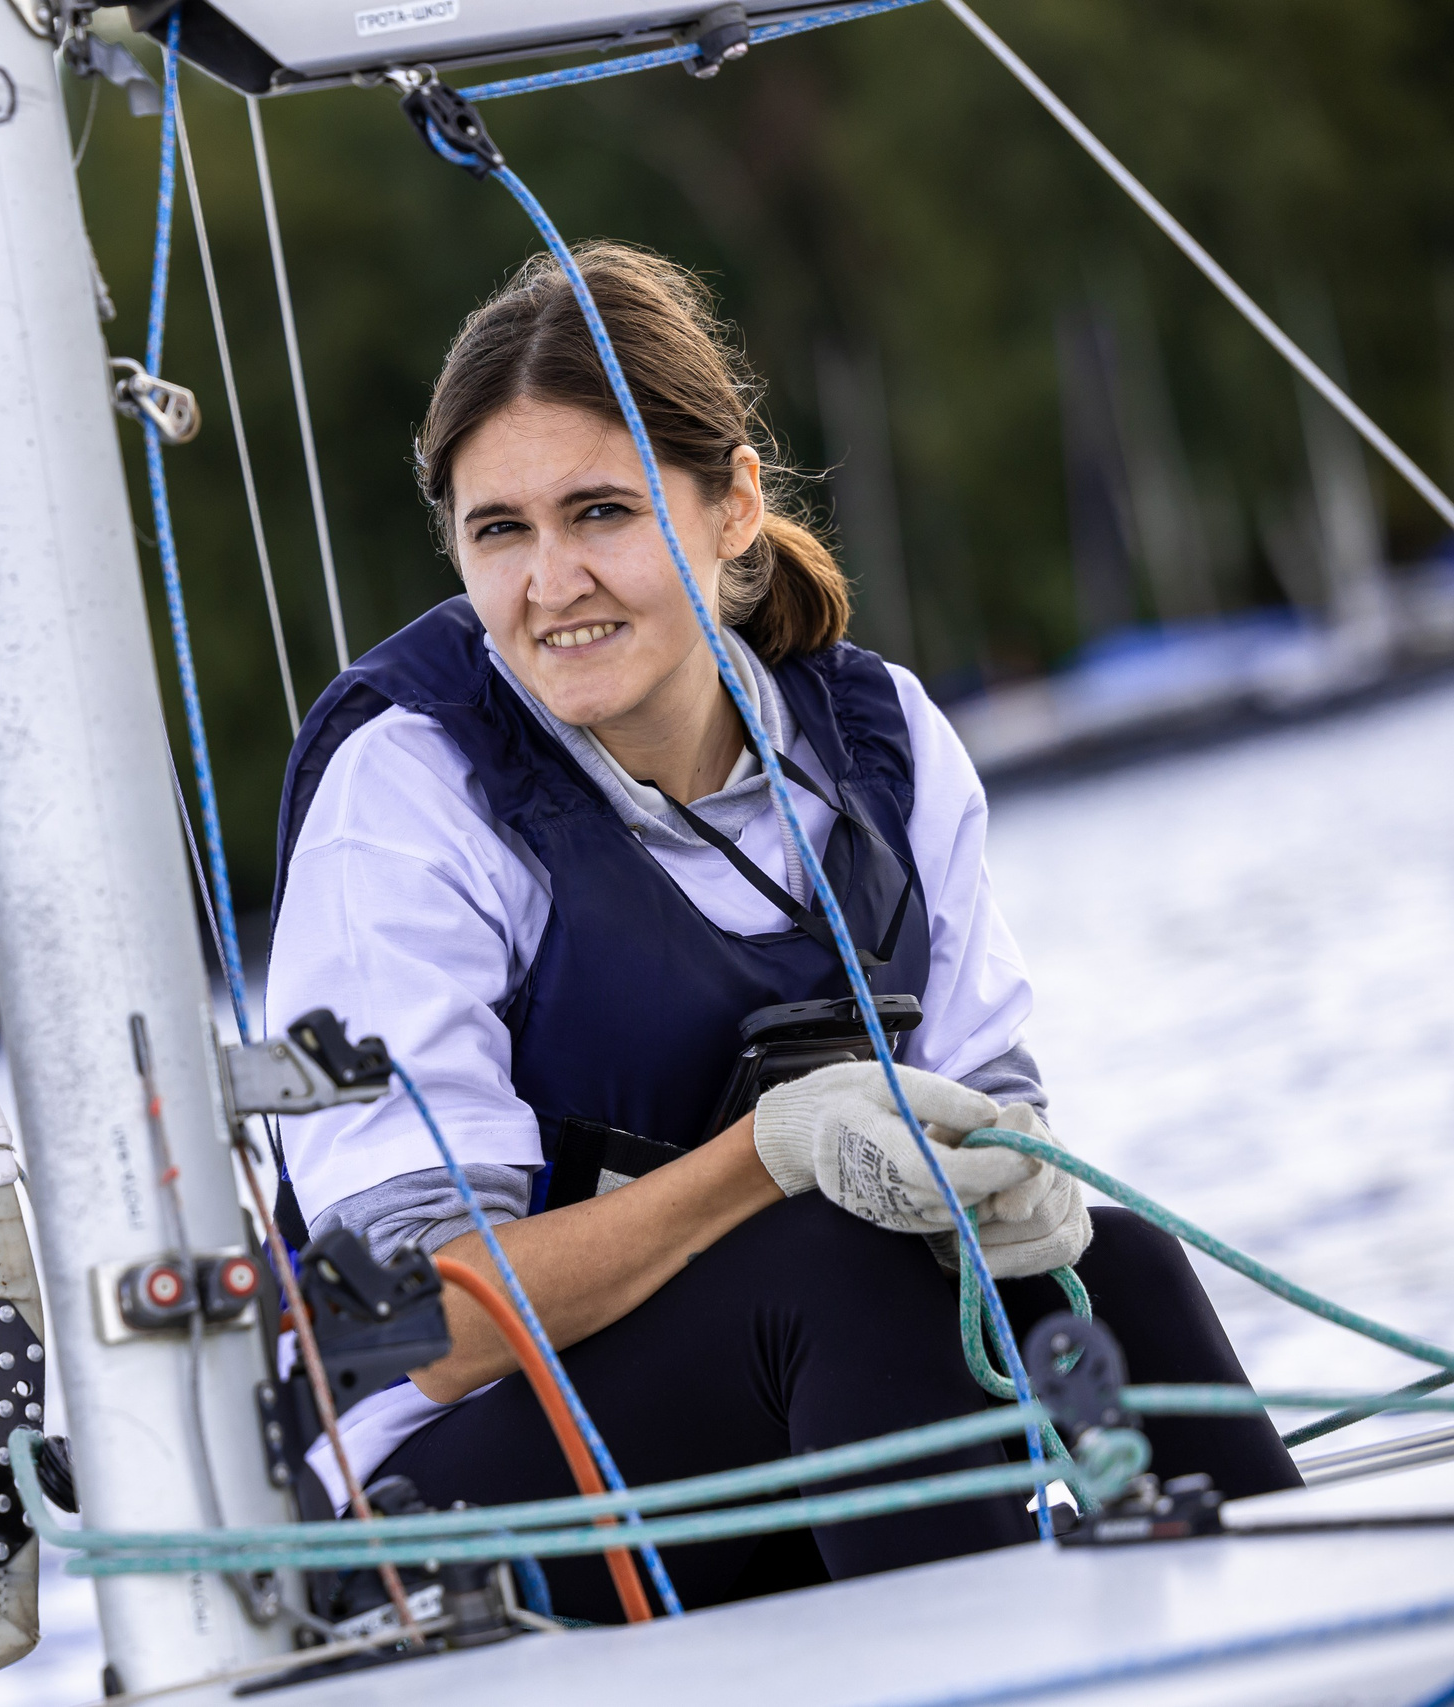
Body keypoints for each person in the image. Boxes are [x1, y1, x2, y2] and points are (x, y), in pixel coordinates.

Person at [263, 240, 1297, 1621]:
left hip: (798, 1407)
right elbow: (432, 1329)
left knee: (1121, 1273)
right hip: (446, 1511)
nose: (551, 580)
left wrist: (1006, 1170)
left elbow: (993, 1120)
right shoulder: (408, 794)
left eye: (602, 512)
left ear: (733, 504)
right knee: (832, 1270)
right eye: (499, 529)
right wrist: (770, 1155)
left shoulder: (883, 745)